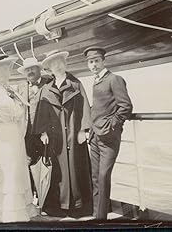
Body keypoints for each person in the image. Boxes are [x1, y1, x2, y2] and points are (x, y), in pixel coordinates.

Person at [0, 54, 38, 223]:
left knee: (18, 171)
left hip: (15, 136)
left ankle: (23, 208)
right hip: (2, 137)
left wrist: (19, 132)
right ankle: (8, 213)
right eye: (1, 69)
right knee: (7, 172)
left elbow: (21, 114)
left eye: (7, 68)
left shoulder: (11, 91)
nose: (6, 72)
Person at [32, 50, 93, 218]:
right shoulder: (46, 88)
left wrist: (83, 130)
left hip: (73, 134)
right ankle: (57, 205)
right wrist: (43, 132)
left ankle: (78, 206)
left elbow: (85, 108)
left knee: (75, 168)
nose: (57, 66)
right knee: (57, 171)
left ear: (65, 64)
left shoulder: (76, 84)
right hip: (55, 137)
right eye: (53, 64)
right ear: (50, 68)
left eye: (59, 62)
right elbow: (41, 111)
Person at [83, 47, 133, 220]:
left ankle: (101, 217)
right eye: (91, 62)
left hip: (108, 137)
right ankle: (99, 217)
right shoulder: (96, 81)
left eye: (97, 61)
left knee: (104, 176)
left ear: (104, 61)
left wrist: (112, 126)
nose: (94, 65)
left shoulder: (114, 79)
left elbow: (125, 107)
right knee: (96, 177)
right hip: (95, 137)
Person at [17, 57, 52, 164]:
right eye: (27, 70)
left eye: (32, 68)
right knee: (30, 164)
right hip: (28, 134)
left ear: (39, 69)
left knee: (48, 165)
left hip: (47, 134)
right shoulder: (20, 87)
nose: (30, 72)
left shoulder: (49, 82)